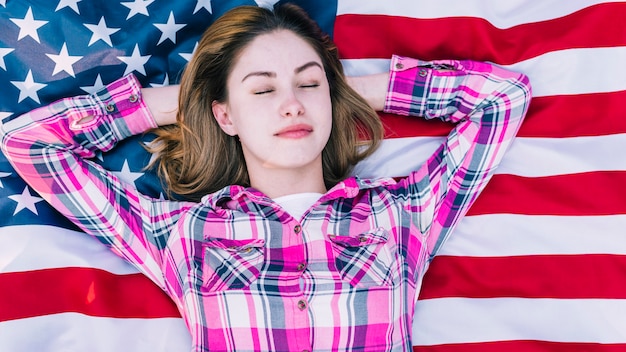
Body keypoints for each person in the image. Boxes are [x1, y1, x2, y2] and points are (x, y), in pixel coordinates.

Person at [0, 3, 531, 352]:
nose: (291, 105)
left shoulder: (402, 215)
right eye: (261, 90)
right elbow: (29, 143)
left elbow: (501, 99)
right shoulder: (183, 235)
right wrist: (183, 102)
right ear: (225, 115)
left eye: (308, 84)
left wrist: (344, 90)